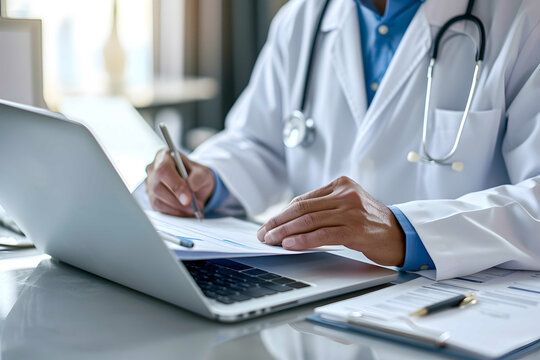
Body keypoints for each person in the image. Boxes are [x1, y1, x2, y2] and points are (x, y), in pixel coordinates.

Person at [145, 0, 540, 280]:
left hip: (459, 304)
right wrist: (208, 179)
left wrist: (406, 231)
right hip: (318, 297)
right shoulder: (303, 17)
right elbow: (259, 141)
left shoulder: (523, 17)